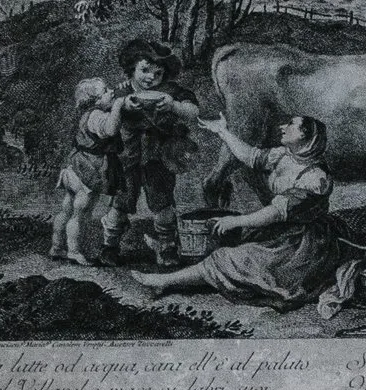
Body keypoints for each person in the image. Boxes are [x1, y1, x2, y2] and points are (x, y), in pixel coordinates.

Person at [138, 111, 338, 308]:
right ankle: (175, 257)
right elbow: (250, 156)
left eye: (291, 124)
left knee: (229, 258)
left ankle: (164, 281)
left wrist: (236, 221)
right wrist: (222, 131)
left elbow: (275, 212)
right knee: (229, 241)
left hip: (301, 244)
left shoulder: (315, 178)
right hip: (280, 229)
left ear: (304, 135)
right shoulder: (285, 156)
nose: (282, 127)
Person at [100, 39, 192, 268]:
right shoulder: (121, 91)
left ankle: (167, 247)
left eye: (158, 73)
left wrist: (174, 106)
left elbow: (193, 111)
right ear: (132, 68)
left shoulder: (169, 92)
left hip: (158, 158)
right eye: (144, 70)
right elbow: (99, 107)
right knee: (120, 204)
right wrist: (120, 105)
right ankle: (110, 246)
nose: (151, 77)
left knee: (163, 205)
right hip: (126, 158)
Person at [51, 77, 120, 261]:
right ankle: (73, 251)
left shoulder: (87, 114)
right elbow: (111, 130)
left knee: (66, 209)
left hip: (74, 165)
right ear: (96, 100)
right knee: (80, 213)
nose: (111, 92)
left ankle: (57, 246)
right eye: (106, 91)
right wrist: (119, 106)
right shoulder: (97, 115)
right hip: (86, 169)